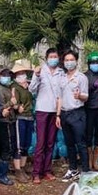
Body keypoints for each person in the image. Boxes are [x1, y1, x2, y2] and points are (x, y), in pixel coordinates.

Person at [29, 48, 64, 184]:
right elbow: (32, 89)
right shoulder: (40, 71)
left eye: (55, 57)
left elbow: (61, 93)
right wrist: (36, 75)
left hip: (55, 111)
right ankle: (36, 172)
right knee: (40, 143)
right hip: (42, 110)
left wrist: (59, 113)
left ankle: (47, 170)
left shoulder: (61, 73)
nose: (53, 59)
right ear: (46, 58)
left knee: (50, 143)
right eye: (51, 57)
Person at [58, 51, 89, 182]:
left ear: (76, 61)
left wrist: (79, 96)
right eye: (66, 60)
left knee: (81, 143)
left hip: (77, 113)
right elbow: (59, 97)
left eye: (71, 60)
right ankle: (73, 169)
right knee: (69, 143)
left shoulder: (81, 77)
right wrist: (58, 115)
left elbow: (86, 96)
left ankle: (86, 172)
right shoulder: (62, 78)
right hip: (64, 113)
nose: (69, 62)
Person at [11, 59, 35, 181]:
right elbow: (13, 102)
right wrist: (17, 107)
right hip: (20, 118)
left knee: (26, 143)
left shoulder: (28, 86)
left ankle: (23, 166)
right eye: (19, 74)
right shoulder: (14, 87)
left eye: (23, 73)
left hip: (29, 117)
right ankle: (17, 170)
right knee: (19, 145)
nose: (22, 75)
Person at [0, 68, 17, 185]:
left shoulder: (5, 87)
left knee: (1, 147)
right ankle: (2, 174)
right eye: (5, 76)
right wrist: (12, 102)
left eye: (9, 76)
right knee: (5, 148)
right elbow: (0, 107)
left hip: (6, 120)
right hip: (3, 121)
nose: (8, 78)